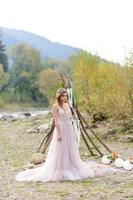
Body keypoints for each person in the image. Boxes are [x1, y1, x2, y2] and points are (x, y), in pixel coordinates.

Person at [15, 88, 125, 183]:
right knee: (60, 149)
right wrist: (58, 133)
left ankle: (70, 165)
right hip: (61, 129)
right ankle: (60, 168)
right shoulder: (55, 106)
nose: (64, 97)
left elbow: (70, 117)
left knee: (69, 148)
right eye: (63, 95)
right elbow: (56, 121)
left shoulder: (67, 105)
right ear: (59, 96)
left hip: (69, 128)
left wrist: (74, 112)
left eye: (66, 95)